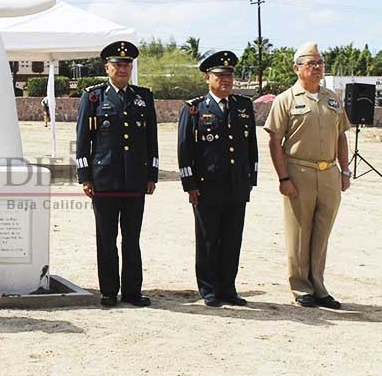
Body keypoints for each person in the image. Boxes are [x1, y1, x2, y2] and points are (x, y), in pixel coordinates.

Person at [264, 42, 351, 309]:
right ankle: (301, 288)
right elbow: (274, 141)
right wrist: (283, 178)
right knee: (300, 231)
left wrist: (345, 171)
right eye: (311, 63)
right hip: (298, 171)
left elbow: (341, 136)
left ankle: (319, 286)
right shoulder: (286, 100)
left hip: (329, 173)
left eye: (320, 63)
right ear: (297, 68)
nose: (317, 68)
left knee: (322, 232)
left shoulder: (332, 99)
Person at [75, 40, 158, 308]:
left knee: (132, 238)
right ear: (107, 67)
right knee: (106, 238)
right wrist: (85, 176)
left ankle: (132, 291)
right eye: (118, 64)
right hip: (104, 180)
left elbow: (151, 140)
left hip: (134, 180)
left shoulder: (143, 97)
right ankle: (109, 290)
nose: (123, 69)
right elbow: (83, 140)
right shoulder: (94, 96)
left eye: (128, 64)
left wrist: (152, 174)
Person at [177, 50, 258, 307]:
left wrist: (250, 179)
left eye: (229, 75)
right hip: (206, 186)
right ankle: (209, 288)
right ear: (207, 78)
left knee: (233, 238)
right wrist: (189, 184)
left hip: (236, 184)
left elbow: (251, 146)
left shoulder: (243, 106)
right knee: (208, 238)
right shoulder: (194, 109)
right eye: (220, 76)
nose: (226, 80)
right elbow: (184, 149)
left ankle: (228, 287)